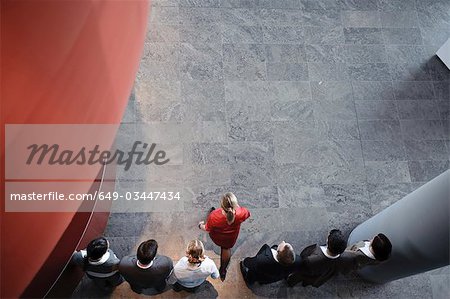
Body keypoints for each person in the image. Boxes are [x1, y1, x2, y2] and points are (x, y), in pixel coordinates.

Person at [198, 192, 250, 281]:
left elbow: (207, 228)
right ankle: (223, 270)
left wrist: (200, 225)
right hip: (230, 238)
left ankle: (222, 271)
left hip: (218, 237)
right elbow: (247, 214)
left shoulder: (214, 216)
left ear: (222, 205)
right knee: (226, 249)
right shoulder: (241, 212)